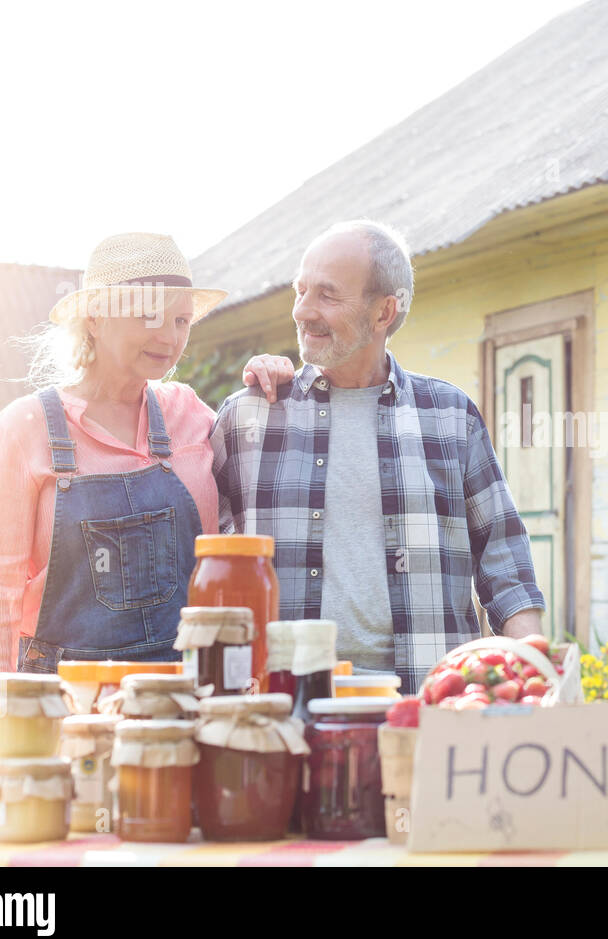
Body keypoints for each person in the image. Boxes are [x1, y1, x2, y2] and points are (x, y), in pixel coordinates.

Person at [0, 233, 293, 687]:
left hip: (183, 695)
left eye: (181, 320)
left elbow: (249, 505)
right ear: (95, 317)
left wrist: (273, 382)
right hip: (65, 702)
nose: (169, 337)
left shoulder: (190, 414)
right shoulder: (21, 430)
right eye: (148, 317)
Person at [212, 219, 545, 693]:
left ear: (383, 311)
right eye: (300, 291)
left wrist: (533, 664)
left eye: (327, 295)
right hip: (283, 705)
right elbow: (204, 560)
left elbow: (503, 555)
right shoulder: (248, 418)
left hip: (427, 698)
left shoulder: (450, 416)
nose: (303, 311)